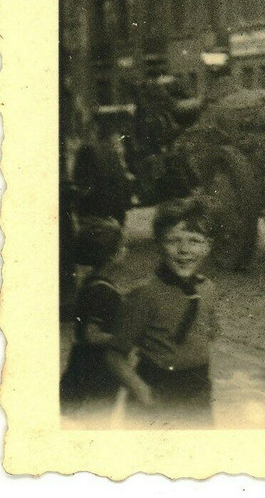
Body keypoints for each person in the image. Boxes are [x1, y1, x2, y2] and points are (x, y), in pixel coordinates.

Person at [106, 197, 219, 428]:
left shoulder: (208, 289)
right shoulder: (145, 293)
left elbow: (210, 331)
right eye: (173, 240)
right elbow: (114, 355)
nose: (184, 250)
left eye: (195, 241)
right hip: (157, 389)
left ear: (208, 246)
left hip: (198, 389)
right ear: (158, 244)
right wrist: (142, 391)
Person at [60, 216, 127, 417]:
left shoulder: (92, 283)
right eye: (122, 246)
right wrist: (125, 338)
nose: (126, 250)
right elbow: (91, 334)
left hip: (82, 364)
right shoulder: (102, 291)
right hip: (94, 368)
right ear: (113, 255)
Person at [71, 112, 133, 227]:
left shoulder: (85, 151)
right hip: (117, 217)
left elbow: (83, 188)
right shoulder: (111, 152)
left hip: (97, 219)